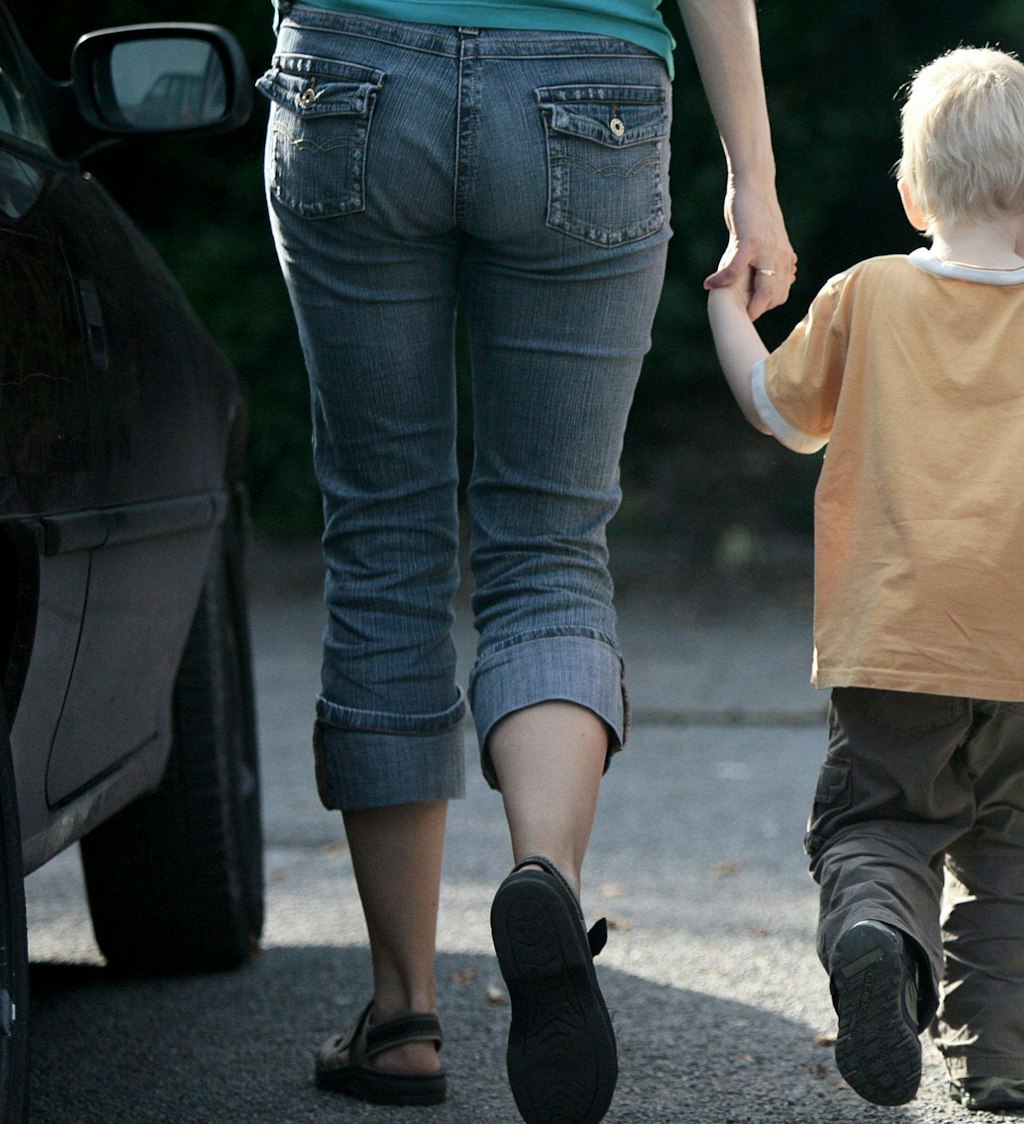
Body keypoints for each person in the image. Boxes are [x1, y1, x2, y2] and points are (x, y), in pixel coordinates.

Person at [259, 1, 793, 1120]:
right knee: (548, 546)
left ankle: (401, 1014)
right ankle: (541, 875)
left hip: (356, 66)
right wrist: (754, 178)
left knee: (385, 543)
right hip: (587, 79)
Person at [707, 46, 1024, 1112]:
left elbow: (779, 412)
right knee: (1009, 858)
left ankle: (872, 927)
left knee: (877, 825)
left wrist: (729, 305)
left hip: (888, 640)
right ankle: (995, 1060)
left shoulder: (864, 295)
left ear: (911, 192)